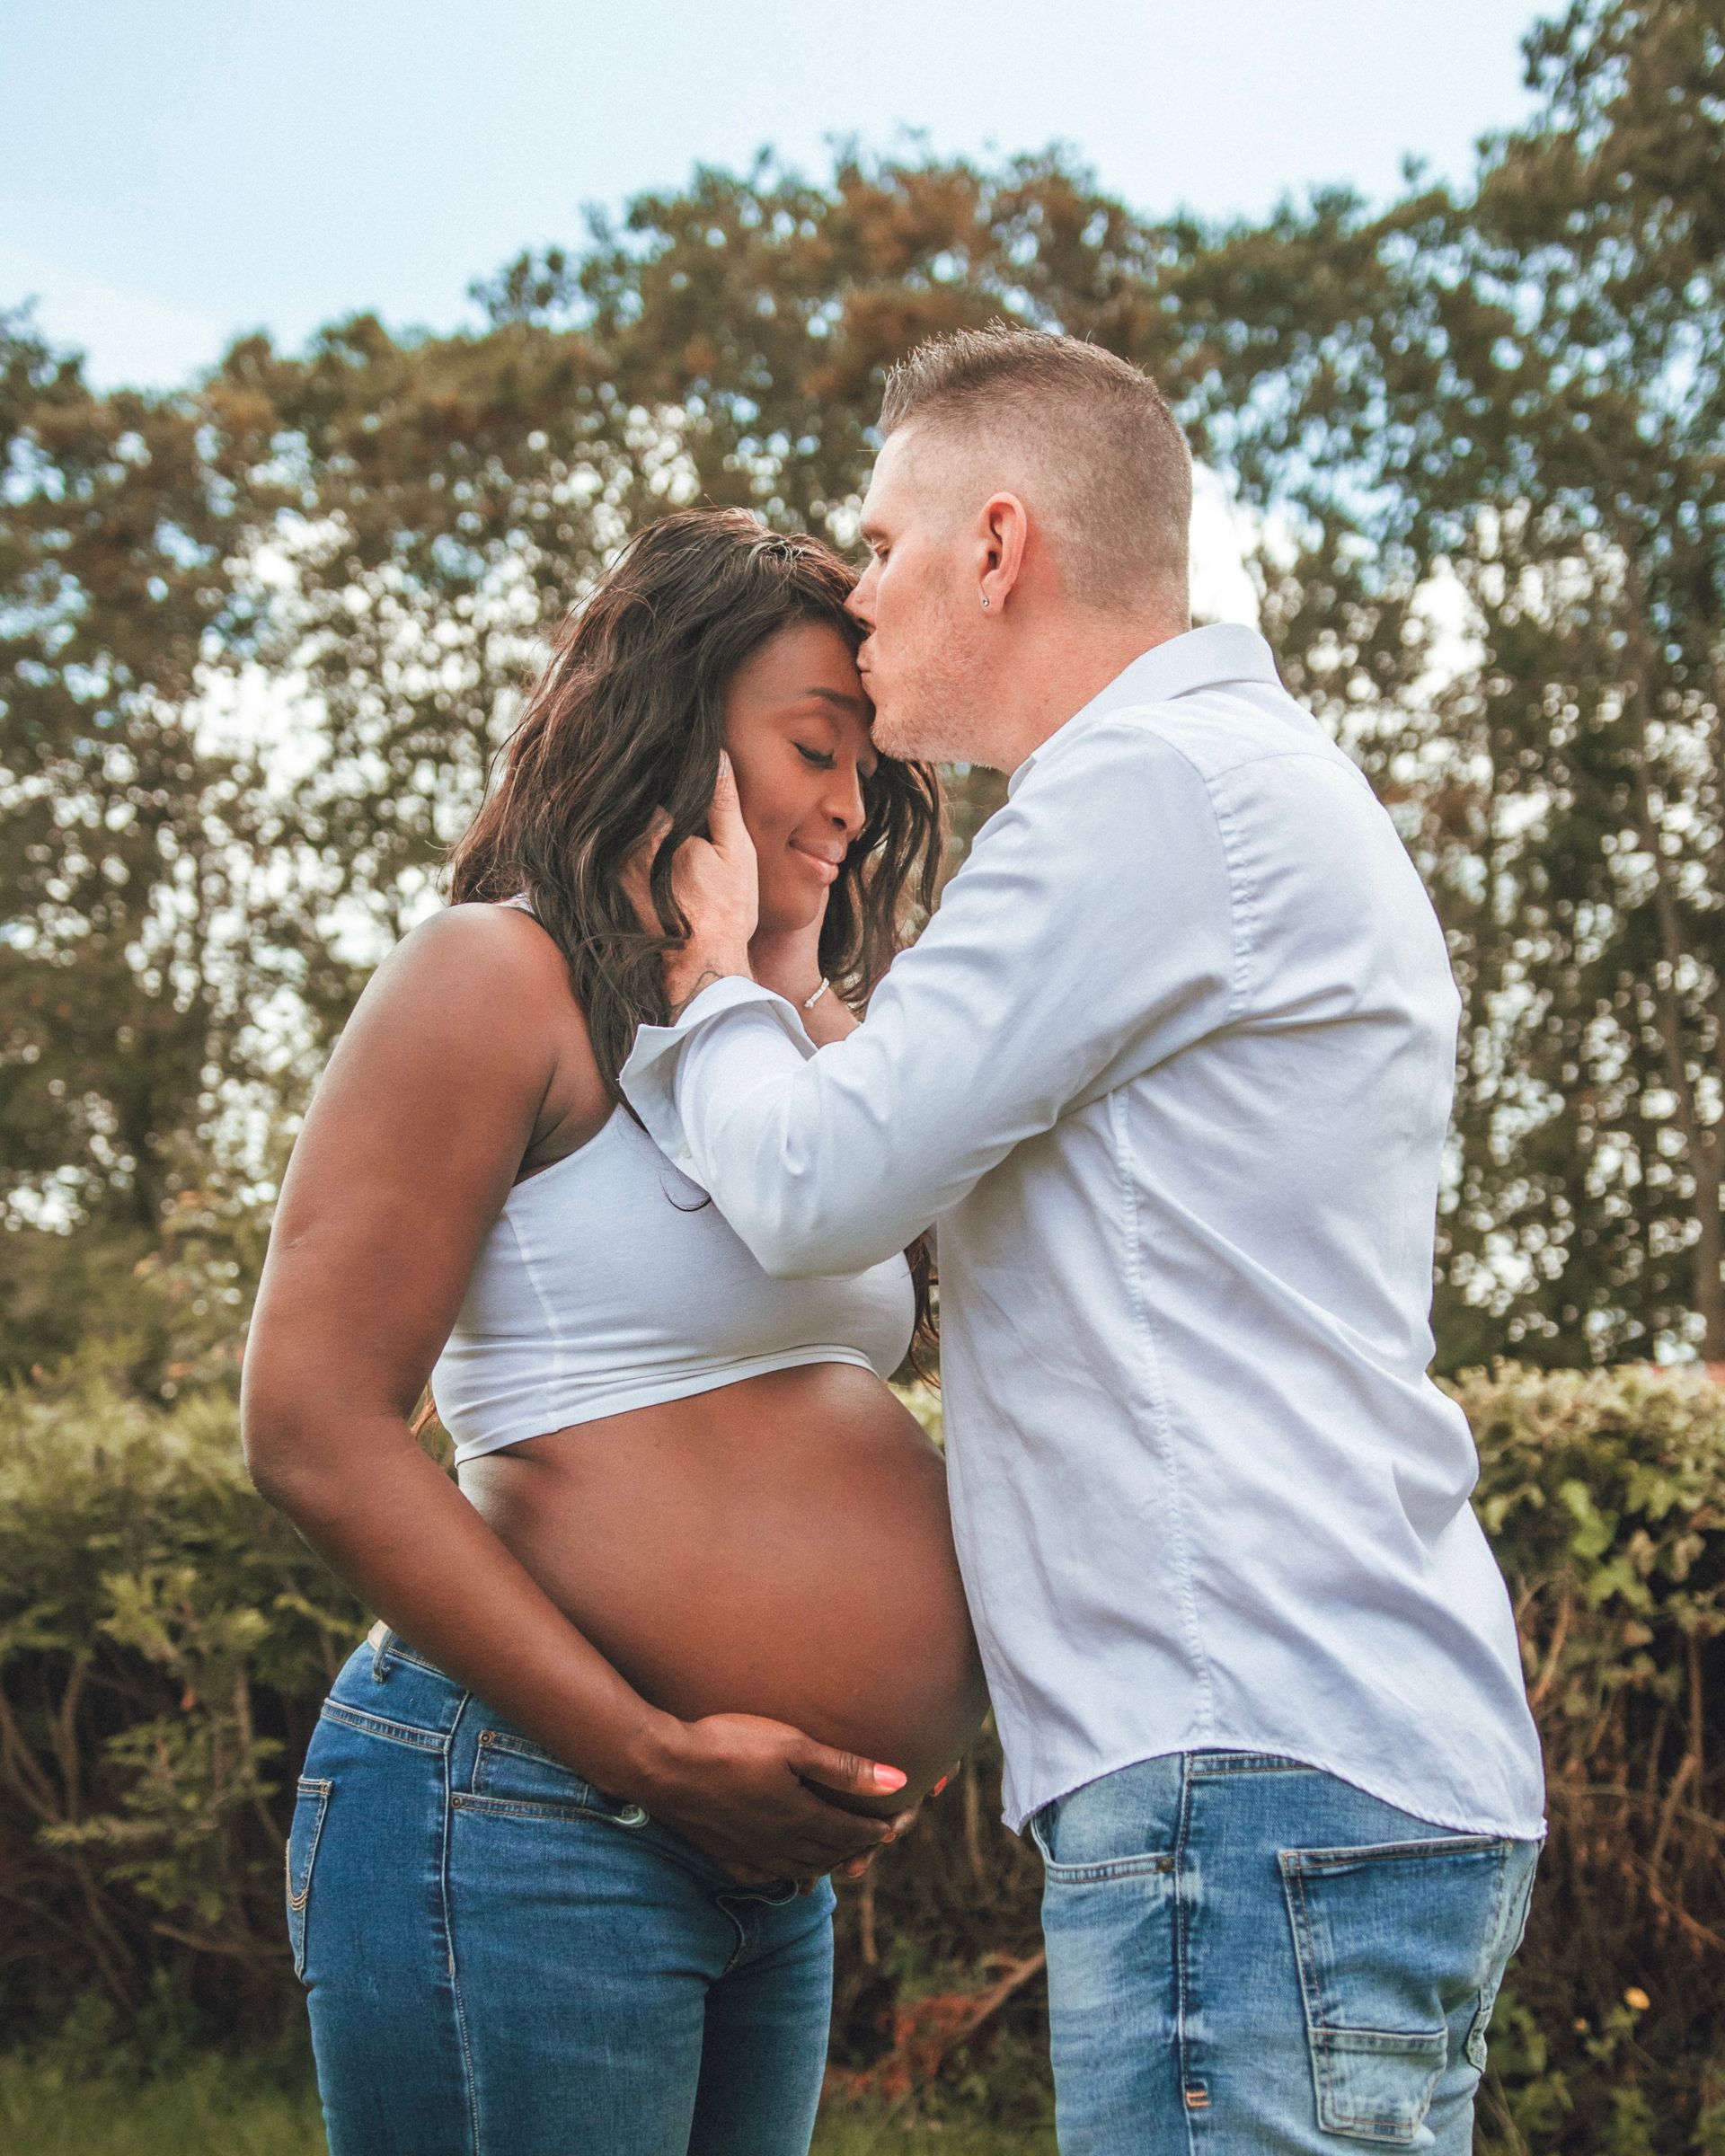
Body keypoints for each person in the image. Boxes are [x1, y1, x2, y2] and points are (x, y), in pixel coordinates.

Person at [621, 327, 1547, 2155]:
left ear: (996, 544)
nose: (858, 594)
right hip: (1331, 1762)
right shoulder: (1238, 786)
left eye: (880, 542)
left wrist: (710, 975)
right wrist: (794, 994)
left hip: (1244, 1767)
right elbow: (918, 1115)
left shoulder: (1146, 795)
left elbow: (812, 1184)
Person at [240, 510, 988, 2156]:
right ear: (676, 727)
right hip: (531, 1806)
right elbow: (311, 1426)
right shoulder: (490, 978)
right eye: (815, 749)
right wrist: (648, 1753)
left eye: (873, 773)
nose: (852, 805)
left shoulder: (778, 1047)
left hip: (759, 1870)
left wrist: (780, 965)